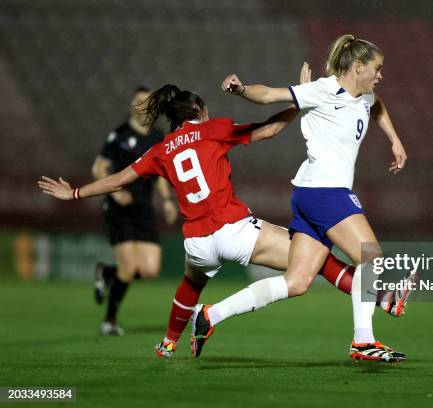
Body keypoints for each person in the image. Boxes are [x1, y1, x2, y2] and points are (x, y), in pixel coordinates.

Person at [38, 65, 410, 358]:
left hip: (197, 242)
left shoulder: (162, 149)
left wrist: (73, 193)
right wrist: (301, 102)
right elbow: (267, 131)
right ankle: (379, 302)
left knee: (191, 283)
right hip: (234, 232)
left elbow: (119, 178)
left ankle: (168, 343)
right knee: (313, 258)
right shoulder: (211, 130)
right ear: (198, 110)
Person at [190, 34, 409, 362]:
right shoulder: (322, 90)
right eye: (376, 68)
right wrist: (241, 89)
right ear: (358, 67)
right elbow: (269, 95)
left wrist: (394, 139)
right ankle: (363, 340)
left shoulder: (365, 96)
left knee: (297, 281)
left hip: (310, 194)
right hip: (325, 192)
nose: (380, 75)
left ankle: (209, 315)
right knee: (372, 258)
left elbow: (377, 106)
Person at [91, 86, 178, 336]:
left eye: (148, 102)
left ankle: (107, 272)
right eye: (139, 101)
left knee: (150, 270)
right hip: (118, 207)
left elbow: (160, 173)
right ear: (132, 106)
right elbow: (99, 168)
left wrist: (167, 200)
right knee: (128, 268)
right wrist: (115, 193)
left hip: (143, 206)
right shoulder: (119, 135)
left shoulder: (158, 137)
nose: (144, 106)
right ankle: (110, 321)